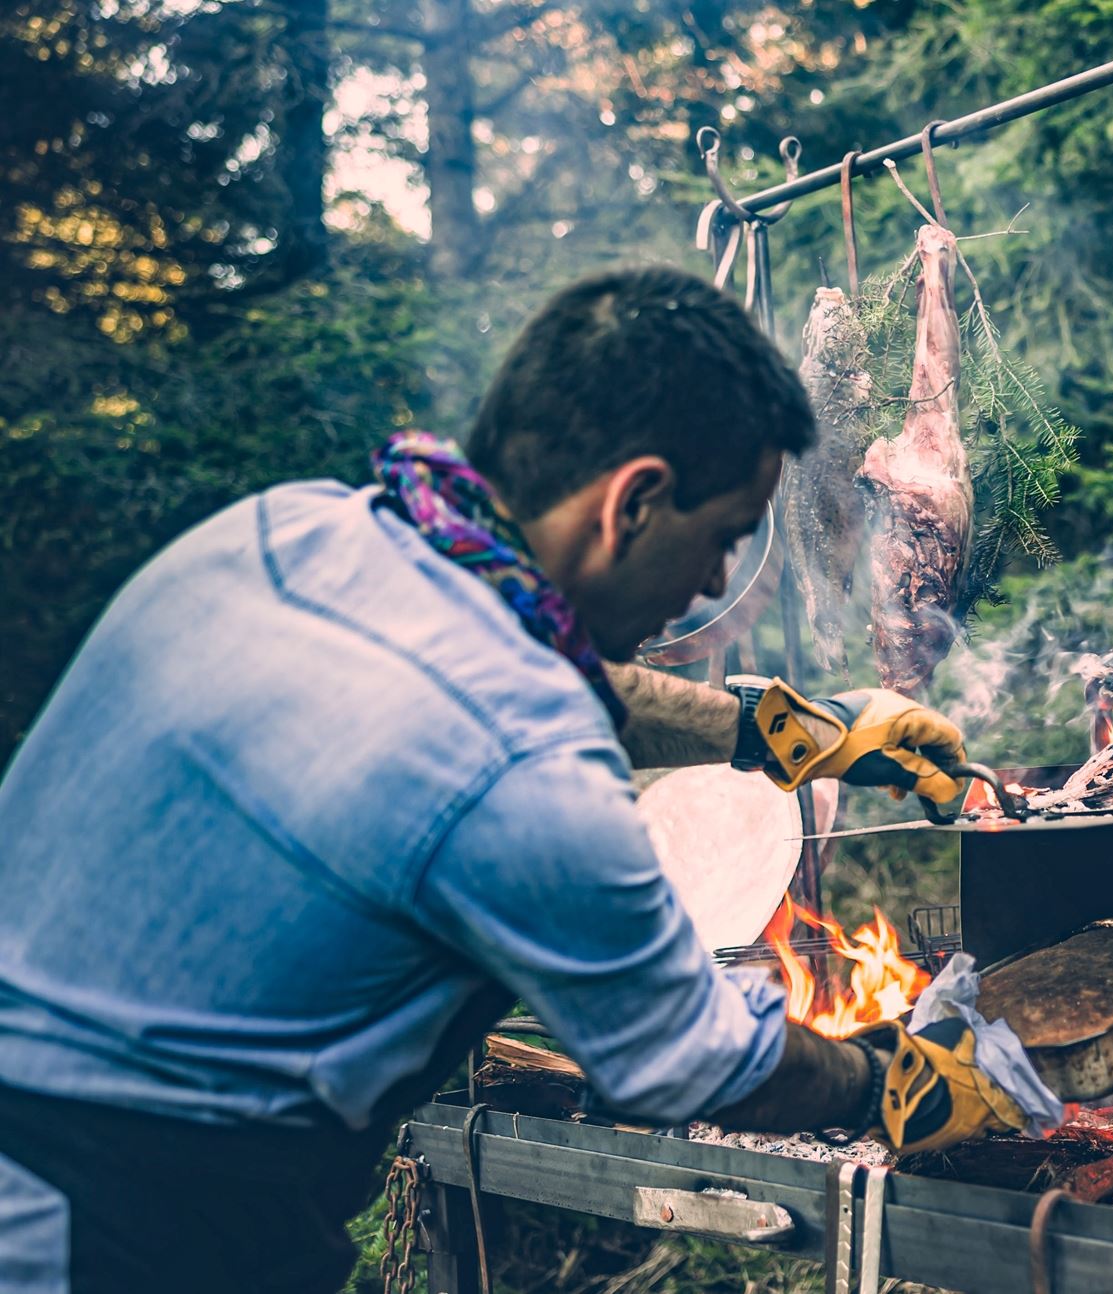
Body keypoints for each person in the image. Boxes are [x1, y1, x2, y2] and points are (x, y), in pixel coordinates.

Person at [0, 266, 1026, 1294]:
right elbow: (688, 1057)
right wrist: (892, 1080)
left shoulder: (288, 532)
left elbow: (516, 686)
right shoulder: (523, 765)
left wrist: (789, 731)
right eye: (719, 538)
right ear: (633, 502)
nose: (716, 582)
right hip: (102, 1232)